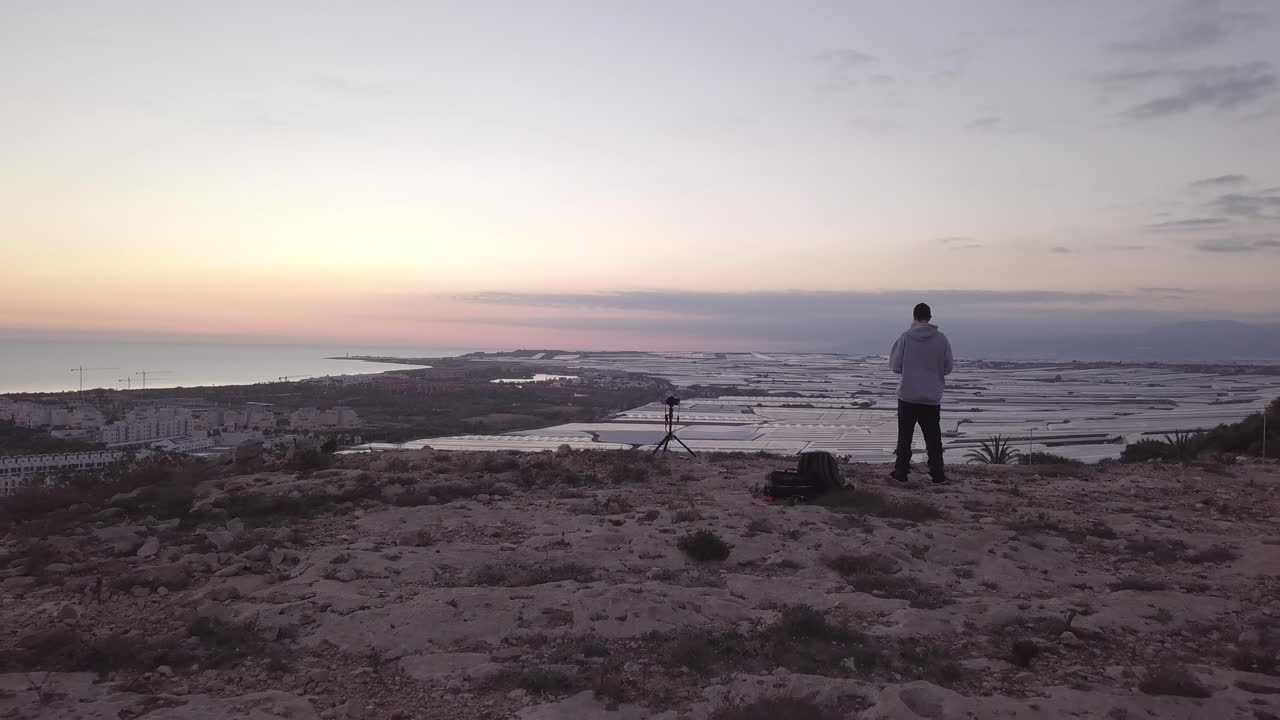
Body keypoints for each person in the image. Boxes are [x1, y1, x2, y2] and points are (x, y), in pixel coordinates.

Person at [889, 302, 953, 484]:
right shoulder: (941, 339)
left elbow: (895, 366)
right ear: (930, 318)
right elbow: (948, 367)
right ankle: (937, 474)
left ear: (914, 317)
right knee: (933, 438)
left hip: (908, 395)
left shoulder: (905, 337)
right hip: (931, 397)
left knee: (905, 437)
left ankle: (901, 472)